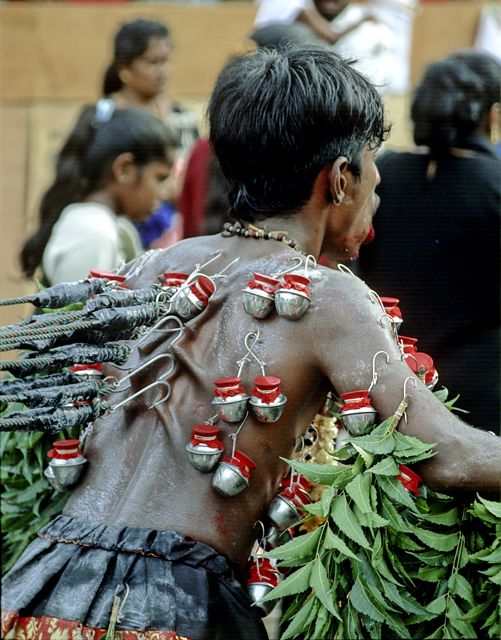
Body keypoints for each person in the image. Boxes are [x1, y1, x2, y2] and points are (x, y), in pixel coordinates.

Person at [2, 46, 500, 640]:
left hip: (37, 586)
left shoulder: (150, 269)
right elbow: (448, 455)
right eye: (372, 175)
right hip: (171, 612)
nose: (378, 196)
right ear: (339, 179)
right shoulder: (328, 295)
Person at [356, 49, 501, 432]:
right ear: (491, 116)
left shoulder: (381, 174)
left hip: (394, 384)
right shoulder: (495, 182)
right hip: (484, 394)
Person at [19, 107, 176, 285]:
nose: (163, 193)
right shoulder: (92, 232)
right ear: (124, 169)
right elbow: (76, 312)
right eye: (160, 178)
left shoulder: (109, 226)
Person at [102, 17, 199, 249]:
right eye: (152, 62)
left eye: (166, 61)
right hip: (120, 233)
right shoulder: (103, 118)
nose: (162, 71)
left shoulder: (182, 118)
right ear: (124, 67)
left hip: (177, 238)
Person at [250, 0, 376, 49]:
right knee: (315, 45)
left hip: (258, 35)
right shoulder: (297, 6)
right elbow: (331, 37)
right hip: (276, 35)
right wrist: (362, 20)